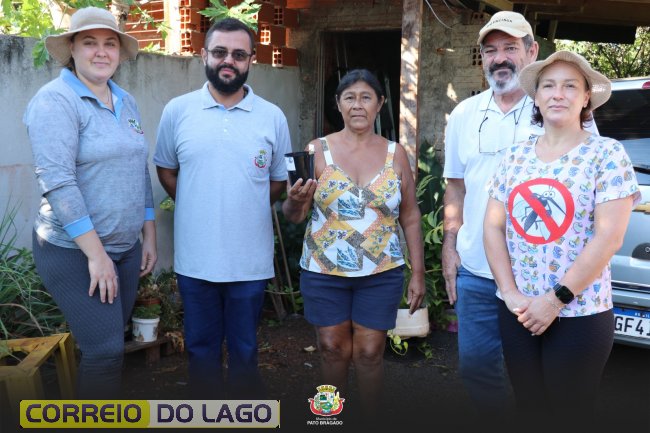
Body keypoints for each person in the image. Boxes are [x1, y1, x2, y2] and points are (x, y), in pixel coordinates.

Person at [484, 51, 640, 427]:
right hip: (519, 311)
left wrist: (555, 301)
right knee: (529, 410)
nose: (558, 94)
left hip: (579, 313)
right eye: (549, 86)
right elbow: (492, 227)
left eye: (570, 86)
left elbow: (609, 237)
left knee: (570, 415)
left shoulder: (607, 154)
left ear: (586, 97)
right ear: (536, 97)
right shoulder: (514, 157)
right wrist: (510, 294)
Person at [153, 18, 291, 399]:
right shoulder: (177, 111)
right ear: (204, 55)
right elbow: (166, 170)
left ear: (251, 60)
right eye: (220, 52)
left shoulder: (272, 117)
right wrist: (198, 200)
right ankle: (206, 417)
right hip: (196, 261)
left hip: (249, 262)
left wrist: (243, 203)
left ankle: (244, 417)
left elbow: (277, 181)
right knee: (201, 352)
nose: (228, 60)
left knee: (245, 352)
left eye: (238, 54)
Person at [23, 7, 157, 398]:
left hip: (125, 249)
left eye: (110, 43)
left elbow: (138, 167)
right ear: (72, 49)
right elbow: (58, 182)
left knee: (111, 345)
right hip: (73, 250)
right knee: (104, 352)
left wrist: (148, 235)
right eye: (89, 43)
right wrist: (97, 256)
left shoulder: (125, 100)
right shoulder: (55, 101)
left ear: (119, 51)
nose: (101, 52)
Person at [282, 69, 425, 419]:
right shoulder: (316, 151)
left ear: (380, 104)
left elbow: (409, 215)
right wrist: (296, 201)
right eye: (349, 97)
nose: (357, 105)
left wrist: (418, 273)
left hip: (380, 272)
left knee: (369, 353)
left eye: (366, 97)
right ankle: (330, 419)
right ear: (338, 104)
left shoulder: (395, 154)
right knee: (331, 349)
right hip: (324, 270)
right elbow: (294, 215)